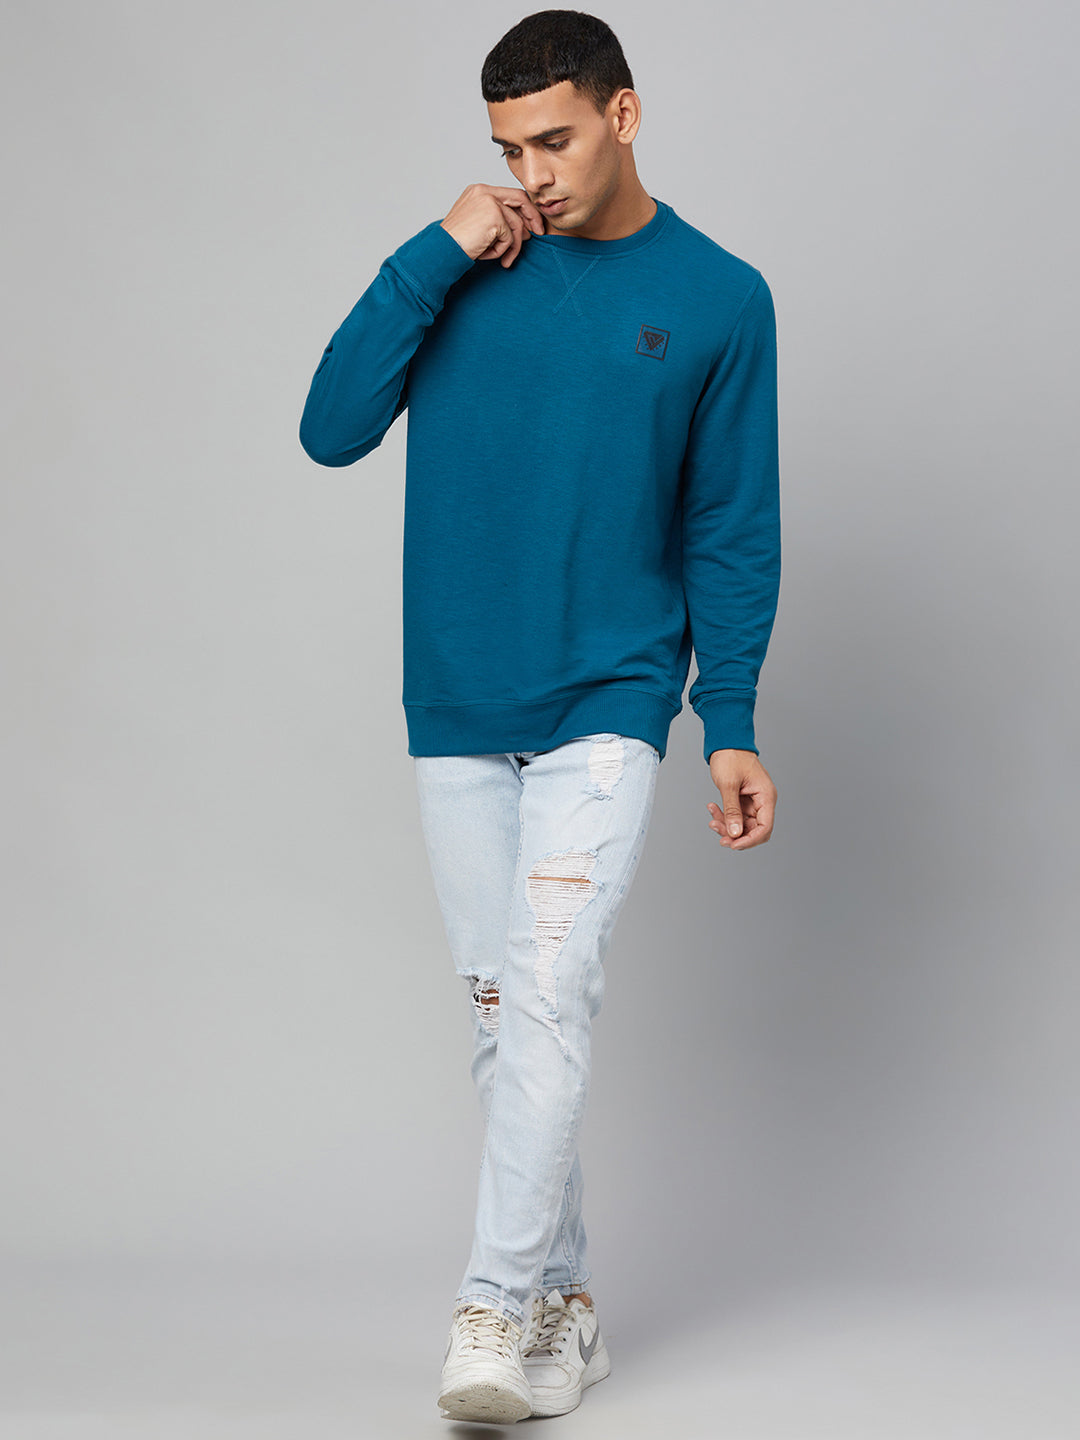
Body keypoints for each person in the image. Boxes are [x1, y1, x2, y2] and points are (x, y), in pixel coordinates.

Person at [298, 8, 781, 1424]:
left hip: (609, 698)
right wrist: (432, 250)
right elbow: (330, 428)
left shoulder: (720, 297)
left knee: (551, 994)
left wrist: (729, 715)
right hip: (457, 696)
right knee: (506, 1016)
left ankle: (492, 1310)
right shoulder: (463, 267)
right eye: (510, 148)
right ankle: (568, 1302)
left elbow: (730, 523)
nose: (533, 174)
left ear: (623, 115)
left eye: (555, 140)